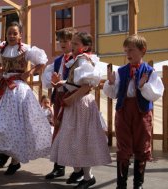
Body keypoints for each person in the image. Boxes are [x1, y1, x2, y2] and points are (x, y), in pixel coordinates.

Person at [0, 21, 52, 175]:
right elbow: (1, 68)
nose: (11, 36)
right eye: (9, 33)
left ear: (20, 35)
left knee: (17, 124)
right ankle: (4, 154)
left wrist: (30, 73)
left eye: (14, 33)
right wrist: (2, 72)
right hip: (4, 87)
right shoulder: (0, 49)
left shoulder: (26, 49)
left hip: (19, 89)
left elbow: (42, 62)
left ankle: (15, 160)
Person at [50, 32, 112, 189]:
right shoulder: (78, 59)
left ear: (85, 46)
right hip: (75, 103)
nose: (73, 45)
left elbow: (86, 86)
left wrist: (72, 98)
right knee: (71, 138)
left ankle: (88, 177)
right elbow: (76, 82)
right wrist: (61, 83)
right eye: (74, 43)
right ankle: (78, 172)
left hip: (80, 103)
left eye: (76, 43)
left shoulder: (84, 59)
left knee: (82, 139)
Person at [103, 34, 164, 189]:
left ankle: (138, 184)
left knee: (142, 146)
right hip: (123, 111)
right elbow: (113, 93)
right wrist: (110, 83)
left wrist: (143, 85)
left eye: (131, 50)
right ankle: (121, 184)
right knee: (123, 147)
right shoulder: (121, 71)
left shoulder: (149, 72)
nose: (128, 54)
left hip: (142, 113)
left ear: (143, 51)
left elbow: (155, 94)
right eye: (126, 51)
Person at [42, 27, 76, 181]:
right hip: (59, 98)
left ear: (73, 42)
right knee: (58, 132)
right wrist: (53, 81)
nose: (62, 43)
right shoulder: (57, 61)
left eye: (66, 40)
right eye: (60, 40)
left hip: (74, 99)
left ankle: (79, 169)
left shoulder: (79, 59)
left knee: (74, 133)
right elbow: (47, 80)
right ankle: (58, 167)